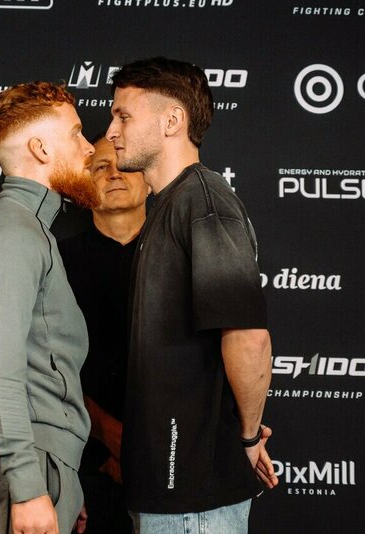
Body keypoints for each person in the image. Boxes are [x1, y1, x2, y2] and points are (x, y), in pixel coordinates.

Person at [105, 57, 279, 532]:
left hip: (193, 497)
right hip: (168, 492)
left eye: (123, 116)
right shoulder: (170, 206)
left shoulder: (203, 201)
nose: (112, 131)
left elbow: (248, 337)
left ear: (172, 120)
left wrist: (247, 439)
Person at [0, 81, 99, 534]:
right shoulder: (13, 233)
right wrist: (30, 488)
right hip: (24, 466)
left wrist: (60, 477)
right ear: (40, 148)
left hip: (40, 461)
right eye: (75, 133)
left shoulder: (27, 229)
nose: (90, 147)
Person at [58, 135, 149, 533]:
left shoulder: (182, 255)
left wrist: (139, 446)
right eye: (100, 167)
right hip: (77, 463)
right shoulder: (55, 261)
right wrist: (108, 437)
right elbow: (40, 363)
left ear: (150, 180)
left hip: (168, 462)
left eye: (124, 165)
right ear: (84, 186)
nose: (113, 174)